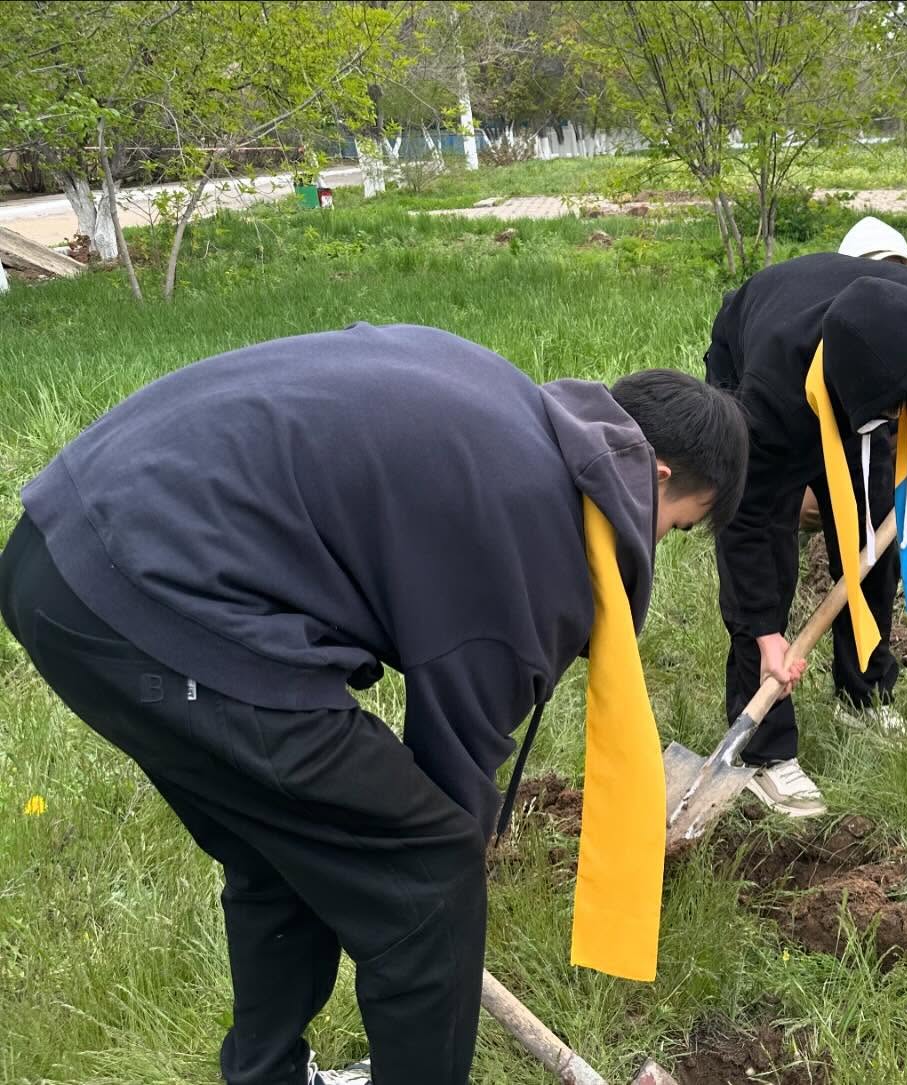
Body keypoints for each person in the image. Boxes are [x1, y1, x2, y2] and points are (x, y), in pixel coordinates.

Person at [0, 322, 747, 1085]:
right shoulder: (542, 535)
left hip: (63, 552)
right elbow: (451, 777)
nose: (658, 543)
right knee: (432, 868)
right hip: (151, 597)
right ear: (654, 475)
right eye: (678, 525)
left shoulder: (510, 416)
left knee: (288, 838)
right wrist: (437, 905)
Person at [706, 254, 907, 818]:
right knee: (772, 555)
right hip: (756, 364)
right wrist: (765, 633)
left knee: (871, 541)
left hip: (848, 379)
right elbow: (745, 523)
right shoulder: (764, 405)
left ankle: (864, 692)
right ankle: (764, 750)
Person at [799, 216, 907, 533]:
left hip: (882, 452)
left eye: (897, 275)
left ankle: (889, 520)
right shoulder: (818, 340)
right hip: (821, 454)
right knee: (809, 508)